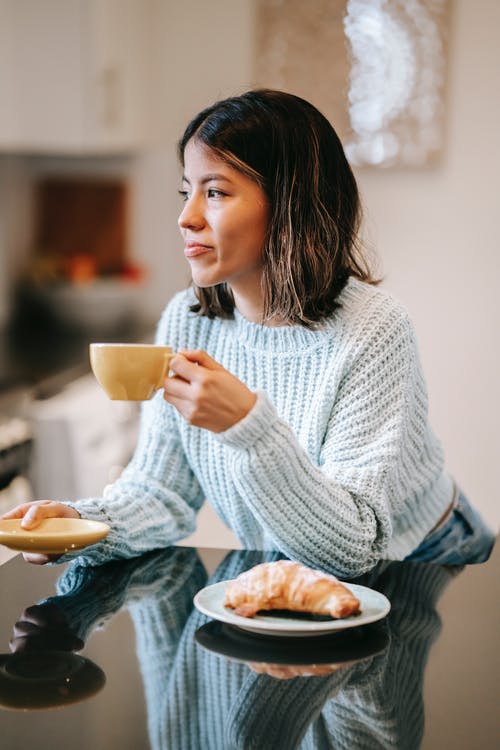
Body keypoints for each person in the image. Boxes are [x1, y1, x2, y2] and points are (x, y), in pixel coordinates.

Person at [1, 89, 494, 572]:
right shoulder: (187, 320)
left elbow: (353, 547)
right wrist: (81, 523)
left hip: (427, 562)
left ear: (289, 204)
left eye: (213, 192)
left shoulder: (374, 331)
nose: (185, 217)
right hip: (299, 566)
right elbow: (161, 493)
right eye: (186, 190)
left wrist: (247, 427)